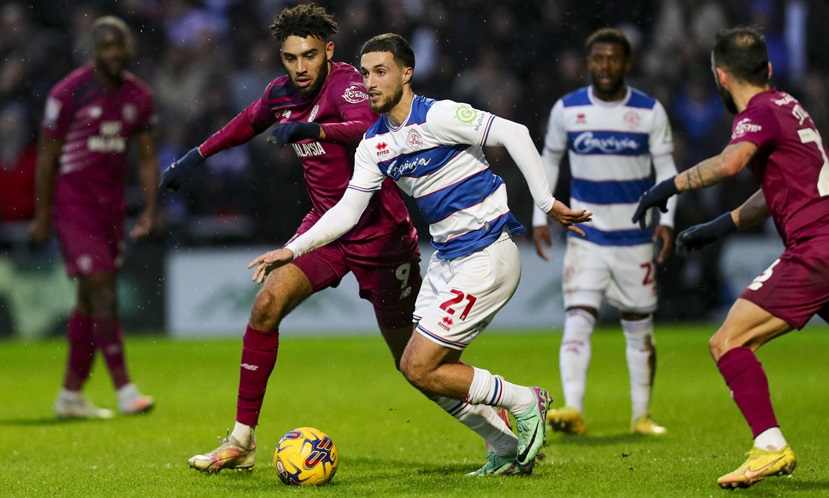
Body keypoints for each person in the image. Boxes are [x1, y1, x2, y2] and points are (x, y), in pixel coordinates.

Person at [167, 5, 520, 476]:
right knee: (267, 304)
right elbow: (247, 122)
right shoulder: (280, 94)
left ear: (328, 51)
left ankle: (498, 425)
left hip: (382, 236)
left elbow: (365, 129)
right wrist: (196, 155)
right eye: (290, 58)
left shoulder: (350, 85)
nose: (300, 67)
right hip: (325, 231)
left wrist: (315, 129)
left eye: (309, 55)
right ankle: (241, 440)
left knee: (414, 364)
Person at [248, 33, 592, 476]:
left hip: (487, 252)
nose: (370, 82)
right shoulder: (374, 144)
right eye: (365, 73)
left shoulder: (440, 115)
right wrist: (292, 249)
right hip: (447, 262)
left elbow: (515, 133)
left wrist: (545, 203)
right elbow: (347, 212)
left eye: (381, 72)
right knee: (420, 371)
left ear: (407, 73)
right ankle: (506, 445)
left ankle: (525, 400)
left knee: (419, 365)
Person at [633, 26, 829, 489]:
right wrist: (720, 226)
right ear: (769, 68)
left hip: (815, 249)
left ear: (721, 76)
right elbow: (780, 188)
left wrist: (668, 187)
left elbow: (730, 163)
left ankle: (770, 445)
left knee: (728, 342)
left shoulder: (758, 113)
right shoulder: (788, 105)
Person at [532, 28, 677, 437]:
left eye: (613, 58)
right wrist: (541, 215)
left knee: (639, 327)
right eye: (598, 58)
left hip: (635, 239)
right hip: (587, 236)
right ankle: (573, 409)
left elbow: (667, 171)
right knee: (577, 319)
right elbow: (548, 162)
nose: (605, 65)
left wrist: (667, 221)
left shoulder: (649, 111)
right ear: (588, 62)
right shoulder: (568, 109)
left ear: (627, 63)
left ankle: (641, 416)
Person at [28, 16, 158, 419]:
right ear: (93, 51)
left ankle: (70, 395)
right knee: (103, 290)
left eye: (120, 45)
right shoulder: (68, 93)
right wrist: (42, 215)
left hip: (111, 210)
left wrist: (150, 208)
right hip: (74, 207)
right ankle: (125, 391)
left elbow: (147, 157)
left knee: (88, 300)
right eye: (106, 46)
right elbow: (47, 157)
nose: (115, 53)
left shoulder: (138, 95)